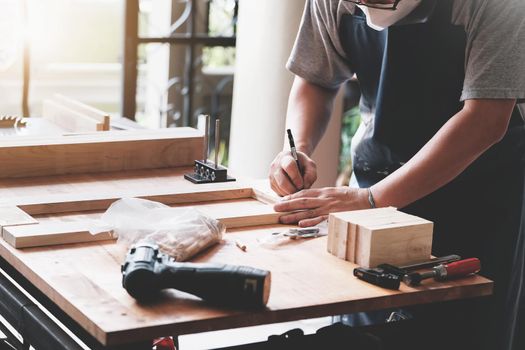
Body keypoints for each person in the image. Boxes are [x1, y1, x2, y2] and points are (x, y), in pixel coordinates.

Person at [269, 0, 525, 349]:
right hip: (376, 190)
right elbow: (316, 78)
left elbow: (485, 120)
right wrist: (296, 148)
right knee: (362, 332)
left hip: (480, 198)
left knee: (464, 331)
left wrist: (370, 199)